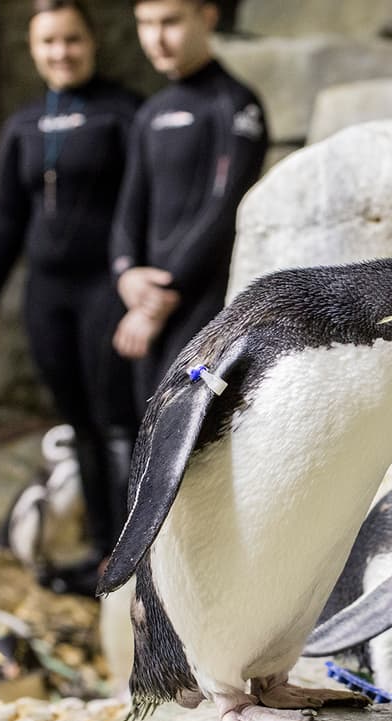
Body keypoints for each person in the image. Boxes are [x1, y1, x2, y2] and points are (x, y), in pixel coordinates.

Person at [0, 0, 140, 594]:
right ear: (34, 51)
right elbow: (9, 218)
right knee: (79, 425)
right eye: (49, 44)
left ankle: (132, 550)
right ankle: (100, 553)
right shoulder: (22, 125)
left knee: (117, 421)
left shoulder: (122, 113)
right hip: (47, 295)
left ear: (91, 43)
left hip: (104, 292)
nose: (61, 53)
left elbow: (143, 207)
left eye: (72, 41)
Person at [111, 0, 268, 413]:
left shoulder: (235, 104)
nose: (156, 38)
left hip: (203, 305)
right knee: (145, 432)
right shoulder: (151, 113)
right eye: (145, 24)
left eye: (170, 22)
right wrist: (125, 273)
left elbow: (224, 209)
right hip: (148, 305)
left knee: (189, 439)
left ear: (208, 17)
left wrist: (163, 297)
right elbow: (129, 209)